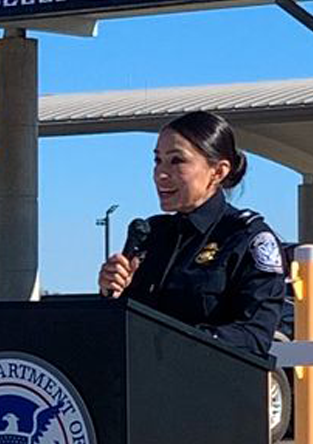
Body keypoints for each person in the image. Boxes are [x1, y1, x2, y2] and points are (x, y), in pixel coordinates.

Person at [97, 111, 285, 357]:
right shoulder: (152, 234)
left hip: (210, 385)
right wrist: (112, 294)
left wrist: (183, 341)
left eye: (176, 161)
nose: (161, 174)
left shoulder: (246, 237)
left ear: (218, 172)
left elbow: (255, 334)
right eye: (158, 161)